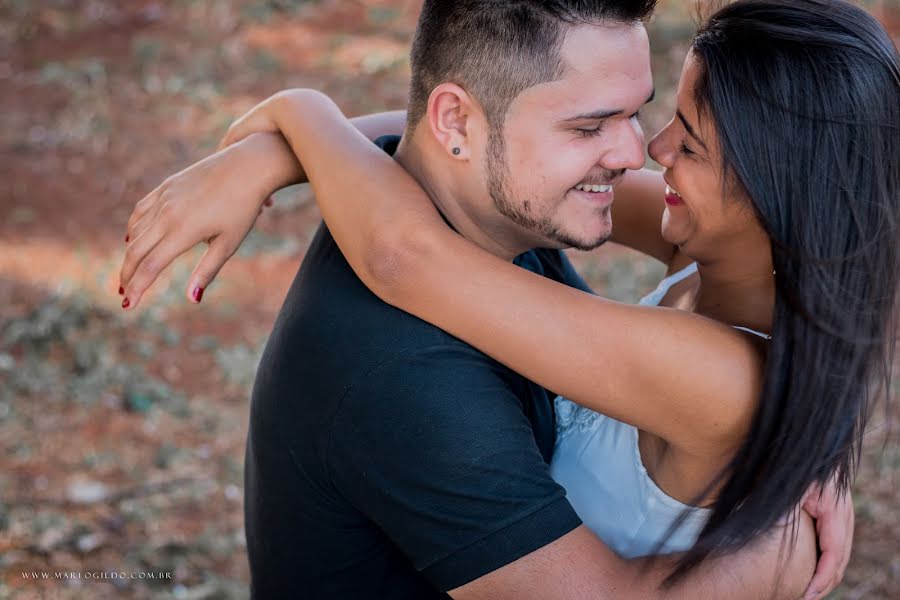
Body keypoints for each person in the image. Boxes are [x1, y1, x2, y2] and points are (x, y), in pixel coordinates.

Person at [115, 0, 887, 598]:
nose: (644, 153)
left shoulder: (718, 369)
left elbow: (406, 249)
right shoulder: (733, 253)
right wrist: (282, 155)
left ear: (773, 202)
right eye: (596, 124)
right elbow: (437, 143)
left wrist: (300, 108)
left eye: (686, 142)